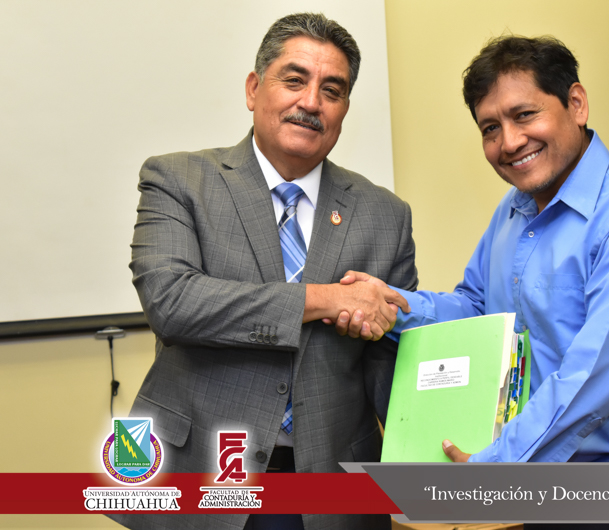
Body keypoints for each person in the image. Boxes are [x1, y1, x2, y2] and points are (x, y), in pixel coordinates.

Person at [336, 36, 609, 469]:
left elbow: (595, 376)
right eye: (490, 128)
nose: (509, 142)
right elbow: (478, 312)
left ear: (577, 104)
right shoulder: (514, 210)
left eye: (524, 115)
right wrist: (390, 306)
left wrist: (495, 465)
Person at [110, 13, 416, 530]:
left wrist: (439, 450)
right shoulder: (178, 179)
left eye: (332, 90)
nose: (311, 102)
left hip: (332, 486)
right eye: (294, 80)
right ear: (254, 89)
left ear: (344, 109)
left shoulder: (386, 214)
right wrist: (326, 299)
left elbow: (393, 358)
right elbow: (172, 303)